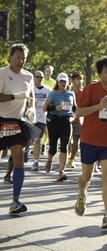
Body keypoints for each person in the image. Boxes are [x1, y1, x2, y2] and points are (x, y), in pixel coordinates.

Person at [74, 56, 107, 228]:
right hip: (89, 139)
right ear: (99, 74)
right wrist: (99, 106)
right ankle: (82, 194)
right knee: (86, 176)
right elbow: (79, 112)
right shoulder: (91, 89)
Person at [0, 43, 36, 214]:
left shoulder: (28, 77)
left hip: (16, 123)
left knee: (19, 160)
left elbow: (31, 97)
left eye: (24, 58)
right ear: (10, 57)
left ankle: (15, 201)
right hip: (1, 120)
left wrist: (31, 108)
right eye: (18, 57)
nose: (21, 61)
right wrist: (14, 97)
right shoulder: (2, 73)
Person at [42, 73, 77, 182]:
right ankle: (49, 160)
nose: (63, 83)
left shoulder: (71, 94)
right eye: (61, 81)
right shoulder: (53, 93)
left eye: (65, 81)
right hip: (54, 121)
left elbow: (75, 108)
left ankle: (61, 172)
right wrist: (55, 107)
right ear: (57, 82)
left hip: (66, 121)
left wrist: (73, 116)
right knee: (52, 147)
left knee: (64, 146)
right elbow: (44, 108)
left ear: (68, 82)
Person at [31, 70, 51, 171]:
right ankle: (25, 151)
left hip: (42, 117)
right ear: (33, 77)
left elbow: (51, 103)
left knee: (37, 139)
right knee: (28, 140)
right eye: (37, 77)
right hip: (30, 117)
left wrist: (47, 106)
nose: (39, 79)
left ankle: (36, 161)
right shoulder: (30, 89)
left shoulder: (47, 90)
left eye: (41, 77)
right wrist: (31, 104)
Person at [67, 72, 84, 168]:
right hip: (68, 119)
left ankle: (72, 159)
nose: (80, 81)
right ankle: (67, 156)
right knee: (68, 141)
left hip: (78, 120)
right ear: (73, 81)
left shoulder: (84, 92)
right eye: (78, 79)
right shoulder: (68, 91)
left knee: (76, 141)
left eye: (81, 79)